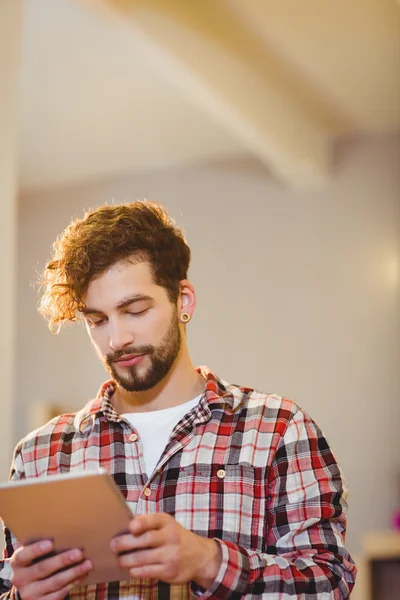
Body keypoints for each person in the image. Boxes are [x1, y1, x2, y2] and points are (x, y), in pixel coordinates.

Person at [0, 201, 357, 599]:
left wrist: (208, 561)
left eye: (134, 310)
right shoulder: (40, 454)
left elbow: (330, 584)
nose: (116, 340)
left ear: (183, 300)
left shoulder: (278, 430)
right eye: (97, 321)